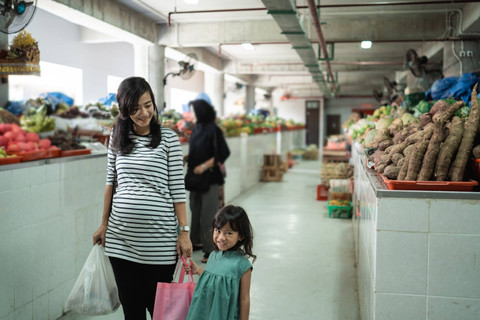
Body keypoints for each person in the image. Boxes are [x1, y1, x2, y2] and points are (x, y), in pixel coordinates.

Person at [92, 76, 192, 319]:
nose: (144, 112)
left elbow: (178, 191)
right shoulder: (117, 135)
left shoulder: (168, 139)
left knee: (160, 312)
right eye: (135, 108)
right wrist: (104, 224)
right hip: (121, 242)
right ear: (124, 110)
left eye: (148, 105)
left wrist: (184, 232)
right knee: (132, 312)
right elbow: (110, 185)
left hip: (160, 246)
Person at [185, 205, 255, 320]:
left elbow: (244, 298)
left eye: (228, 233)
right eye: (218, 230)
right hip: (205, 311)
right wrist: (197, 270)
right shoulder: (213, 256)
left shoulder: (242, 265)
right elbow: (213, 279)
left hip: (224, 314)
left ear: (241, 236)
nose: (221, 237)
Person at [184, 99, 230, 263]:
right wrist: (188, 158)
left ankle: (211, 249)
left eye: (193, 111)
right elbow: (199, 151)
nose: (191, 115)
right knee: (194, 210)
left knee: (208, 215)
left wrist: (203, 166)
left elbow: (222, 153)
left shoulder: (213, 129)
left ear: (201, 112)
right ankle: (196, 241)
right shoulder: (196, 129)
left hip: (209, 178)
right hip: (195, 179)